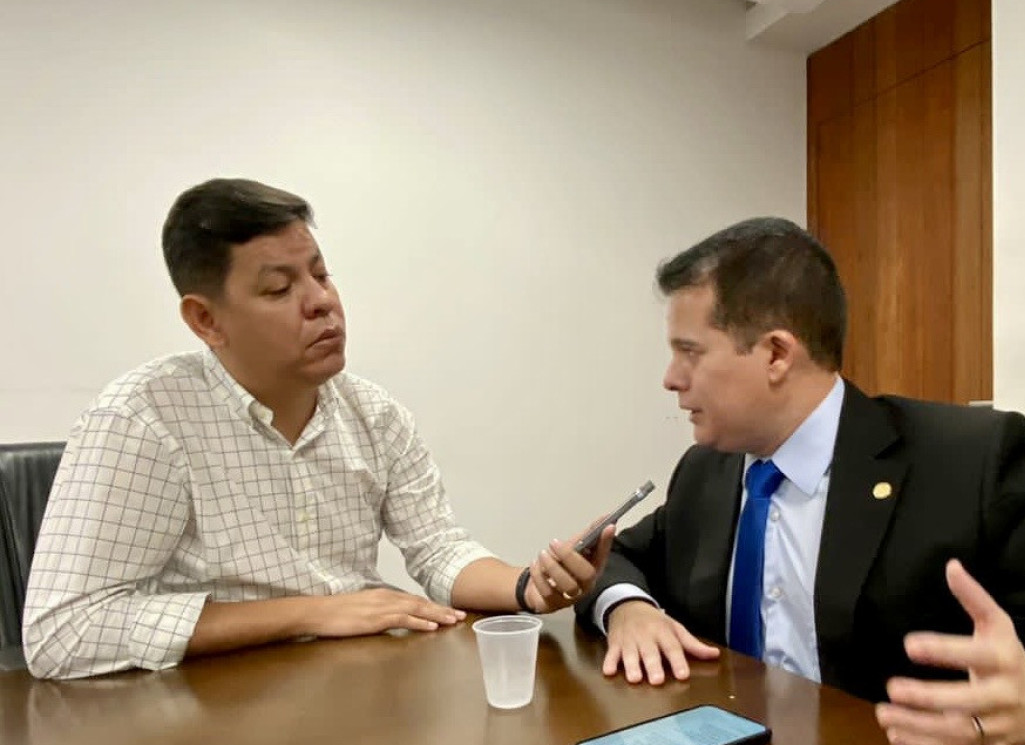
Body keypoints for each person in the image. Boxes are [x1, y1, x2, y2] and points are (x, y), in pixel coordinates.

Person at [576, 218, 1025, 745]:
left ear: (776, 354)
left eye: (689, 352)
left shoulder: (973, 465)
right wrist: (628, 608)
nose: (670, 378)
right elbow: (620, 557)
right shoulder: (709, 472)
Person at [24, 179, 610, 680]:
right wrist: (311, 612)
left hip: (353, 692)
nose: (322, 302)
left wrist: (527, 587)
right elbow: (62, 631)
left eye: (322, 274)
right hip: (203, 714)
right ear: (206, 320)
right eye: (279, 289)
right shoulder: (142, 420)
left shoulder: (372, 413)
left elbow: (436, 548)